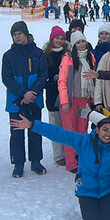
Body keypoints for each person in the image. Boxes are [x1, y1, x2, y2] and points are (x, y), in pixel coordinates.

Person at [10, 113, 110, 220]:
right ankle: (81, 182)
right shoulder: (84, 141)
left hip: (108, 190)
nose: (108, 134)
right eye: (105, 130)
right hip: (87, 190)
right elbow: (59, 134)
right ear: (97, 130)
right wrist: (32, 125)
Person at [2, 20, 48, 178]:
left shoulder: (38, 53)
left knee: (35, 130)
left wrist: (32, 93)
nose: (17, 37)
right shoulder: (8, 56)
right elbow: (6, 78)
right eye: (14, 35)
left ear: (26, 34)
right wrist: (23, 93)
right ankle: (18, 163)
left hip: (34, 99)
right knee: (17, 132)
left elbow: (43, 75)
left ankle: (36, 161)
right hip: (16, 101)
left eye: (19, 34)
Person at [58, 31, 96, 173]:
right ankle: (71, 163)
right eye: (78, 42)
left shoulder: (90, 57)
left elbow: (93, 80)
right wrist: (65, 101)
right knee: (70, 132)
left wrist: (92, 100)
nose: (81, 44)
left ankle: (81, 159)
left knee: (82, 131)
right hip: (70, 101)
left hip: (84, 100)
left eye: (83, 41)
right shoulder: (67, 58)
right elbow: (62, 81)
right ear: (74, 44)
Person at [43, 25, 69, 167]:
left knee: (67, 125)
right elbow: (42, 75)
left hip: (67, 95)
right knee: (56, 125)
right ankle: (59, 154)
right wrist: (51, 81)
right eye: (56, 38)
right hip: (53, 96)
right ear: (52, 39)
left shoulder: (68, 53)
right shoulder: (46, 55)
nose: (59, 41)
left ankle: (69, 152)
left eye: (61, 38)